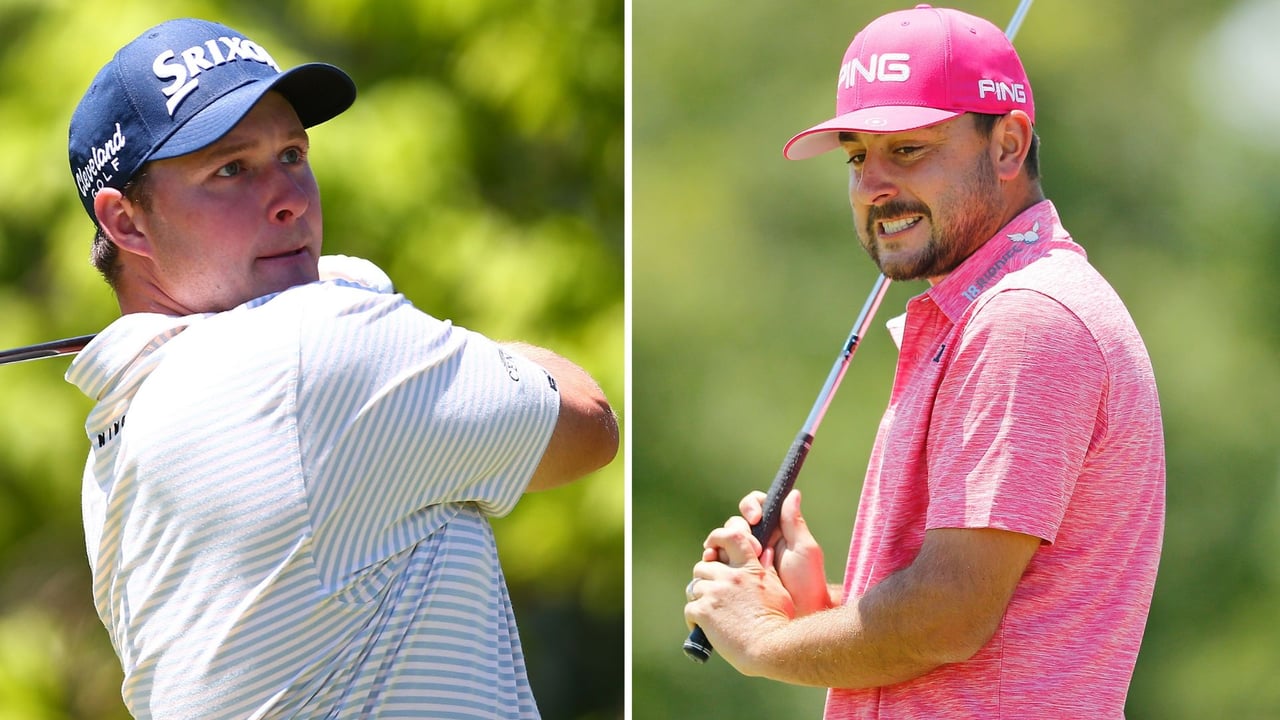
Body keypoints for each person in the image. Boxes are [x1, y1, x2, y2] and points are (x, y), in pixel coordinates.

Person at [65, 17, 618, 719]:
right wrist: (365, 302)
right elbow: (589, 423)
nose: (289, 197)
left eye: (292, 154)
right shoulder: (313, 341)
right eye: (230, 170)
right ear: (126, 222)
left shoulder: (116, 434)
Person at [683, 5, 1164, 718]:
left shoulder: (1028, 318)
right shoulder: (988, 314)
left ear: (1008, 145)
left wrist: (760, 640)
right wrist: (814, 608)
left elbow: (951, 613)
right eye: (856, 156)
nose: (873, 183)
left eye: (906, 150)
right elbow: (995, 613)